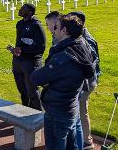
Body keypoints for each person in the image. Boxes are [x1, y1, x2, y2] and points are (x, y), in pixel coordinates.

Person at [31, 14, 95, 150]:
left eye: (56, 27)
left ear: (64, 30)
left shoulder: (63, 57)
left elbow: (36, 78)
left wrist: (48, 80)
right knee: (72, 146)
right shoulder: (82, 46)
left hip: (57, 110)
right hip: (70, 108)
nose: (54, 30)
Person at [69, 12, 100, 150]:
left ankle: (87, 142)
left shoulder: (87, 40)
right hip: (82, 81)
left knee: (81, 110)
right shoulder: (78, 37)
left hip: (86, 83)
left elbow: (90, 65)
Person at [7, 3, 45, 110]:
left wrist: (22, 50)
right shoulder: (19, 24)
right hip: (18, 61)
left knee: (32, 90)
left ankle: (39, 116)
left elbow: (41, 47)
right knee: (22, 90)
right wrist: (15, 50)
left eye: (23, 8)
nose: (20, 9)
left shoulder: (36, 25)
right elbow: (20, 42)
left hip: (31, 63)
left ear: (30, 12)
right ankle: (25, 112)